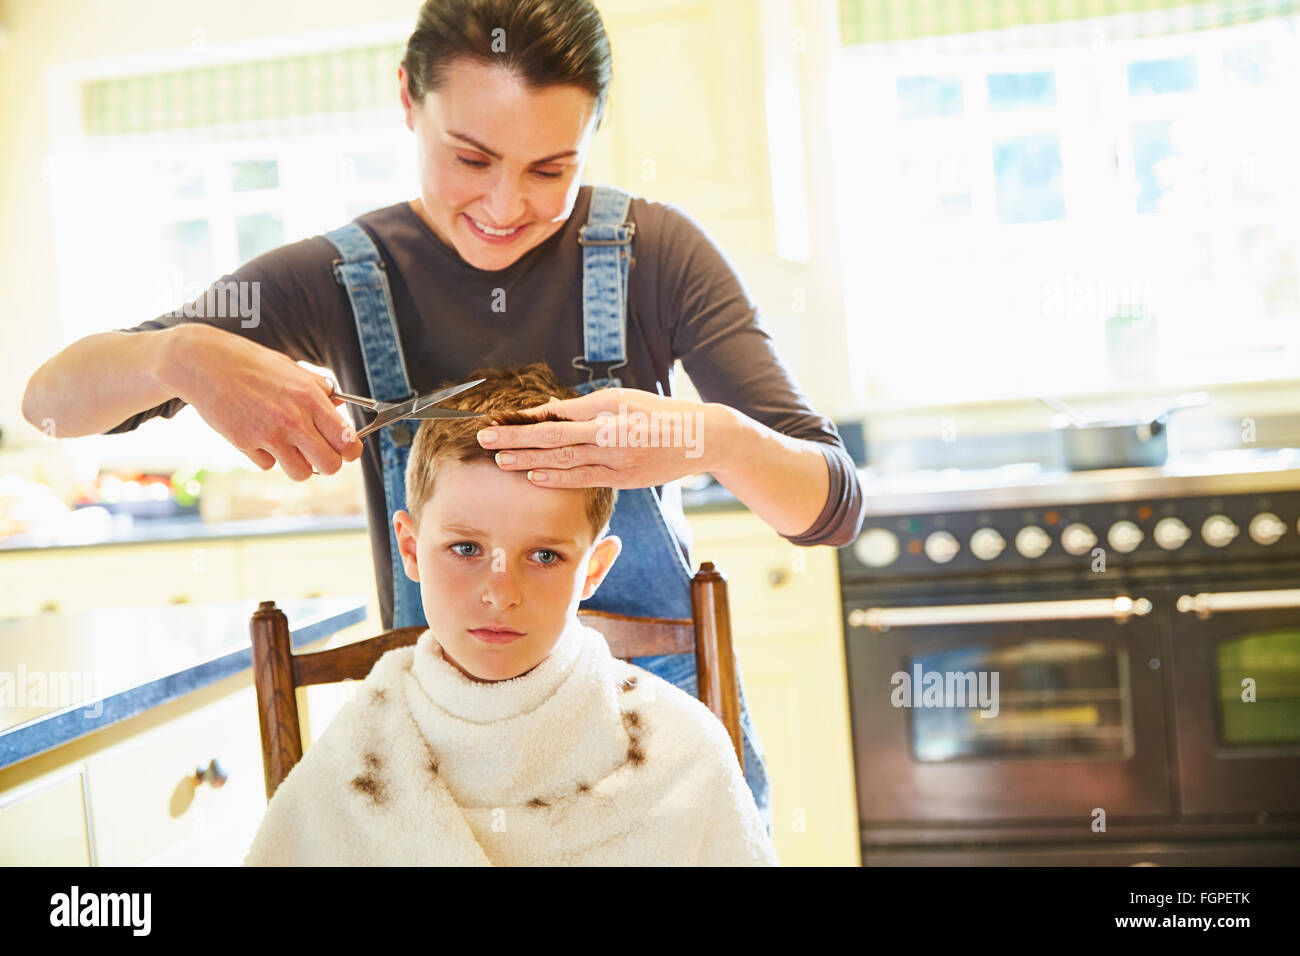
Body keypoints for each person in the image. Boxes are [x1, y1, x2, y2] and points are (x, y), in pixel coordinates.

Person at [20, 0, 865, 836]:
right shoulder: (342, 278)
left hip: (648, 776)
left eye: (549, 170)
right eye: (471, 157)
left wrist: (700, 436)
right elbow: (49, 406)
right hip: (436, 772)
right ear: (407, 101)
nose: (504, 206)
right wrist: (177, 355)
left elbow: (831, 506)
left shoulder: (657, 255)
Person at [243, 362, 778, 866]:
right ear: (410, 549)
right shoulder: (351, 763)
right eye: (467, 549)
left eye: (545, 556)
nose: (501, 594)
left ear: (593, 570)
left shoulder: (683, 754)